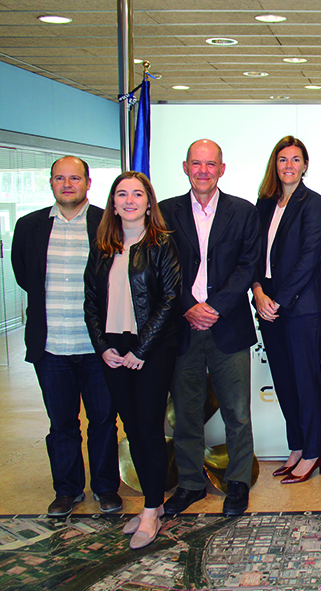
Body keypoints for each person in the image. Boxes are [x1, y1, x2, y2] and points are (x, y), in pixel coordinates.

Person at [11, 156, 122, 518]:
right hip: (51, 347)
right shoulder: (29, 226)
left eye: (75, 178)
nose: (67, 184)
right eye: (60, 178)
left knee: (103, 421)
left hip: (97, 346)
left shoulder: (108, 223)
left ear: (88, 183)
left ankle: (106, 488)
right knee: (61, 425)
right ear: (51, 183)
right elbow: (24, 276)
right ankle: (67, 490)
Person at [159, 139, 261, 517]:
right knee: (185, 412)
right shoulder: (166, 212)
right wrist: (189, 306)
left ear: (222, 168)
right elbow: (162, 266)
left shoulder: (243, 212)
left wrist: (213, 307)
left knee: (237, 412)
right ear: (185, 167)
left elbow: (248, 265)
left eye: (210, 164)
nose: (203, 170)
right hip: (183, 327)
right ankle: (190, 483)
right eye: (196, 164)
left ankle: (237, 482)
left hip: (227, 325)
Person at [84, 172, 181, 549]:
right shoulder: (104, 245)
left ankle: (151, 510)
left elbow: (170, 300)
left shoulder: (161, 243)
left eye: (137, 194)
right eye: (121, 194)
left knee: (150, 430)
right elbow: (91, 300)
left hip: (150, 350)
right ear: (112, 202)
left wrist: (141, 350)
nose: (129, 200)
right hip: (112, 348)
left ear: (148, 201)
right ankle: (150, 505)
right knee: (132, 430)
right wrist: (101, 346)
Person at [252, 137, 321, 484]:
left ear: (305, 165)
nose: (289, 166)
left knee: (305, 381)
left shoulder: (313, 203)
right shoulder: (265, 203)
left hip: (301, 308)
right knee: (283, 381)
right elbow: (252, 255)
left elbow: (308, 259)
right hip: (268, 305)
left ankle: (313, 451)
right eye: (283, 159)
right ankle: (296, 446)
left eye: (296, 159)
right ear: (275, 164)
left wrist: (277, 300)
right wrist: (257, 293)